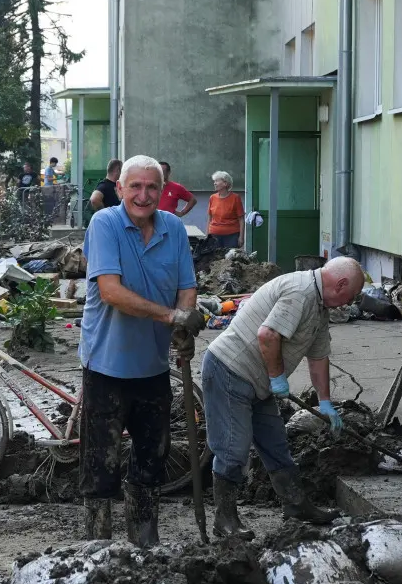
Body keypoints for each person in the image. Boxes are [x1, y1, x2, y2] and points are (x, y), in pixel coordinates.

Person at [79, 154, 203, 547]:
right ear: (120, 189)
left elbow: (187, 285)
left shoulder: (174, 229)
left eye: (152, 187)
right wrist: (171, 318)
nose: (144, 195)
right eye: (135, 186)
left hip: (152, 366)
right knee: (102, 465)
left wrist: (185, 320)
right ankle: (97, 550)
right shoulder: (105, 224)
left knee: (152, 458)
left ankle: (145, 543)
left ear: (162, 190)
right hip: (107, 365)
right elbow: (110, 291)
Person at [202, 258, 366, 537]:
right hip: (230, 371)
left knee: (276, 444)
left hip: (259, 380)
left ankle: (296, 505)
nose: (346, 305)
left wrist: (325, 402)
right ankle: (224, 519)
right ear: (339, 285)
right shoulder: (300, 292)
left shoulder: (319, 305)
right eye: (349, 297)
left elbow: (319, 355)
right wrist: (278, 378)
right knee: (233, 449)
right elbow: (267, 335)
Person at [207, 171, 245, 250]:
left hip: (231, 236)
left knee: (230, 260)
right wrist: (207, 234)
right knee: (214, 260)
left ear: (225, 183)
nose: (214, 183)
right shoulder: (212, 198)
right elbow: (209, 217)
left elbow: (241, 219)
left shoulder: (235, 198)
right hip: (214, 235)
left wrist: (241, 237)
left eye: (217, 181)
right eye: (214, 181)